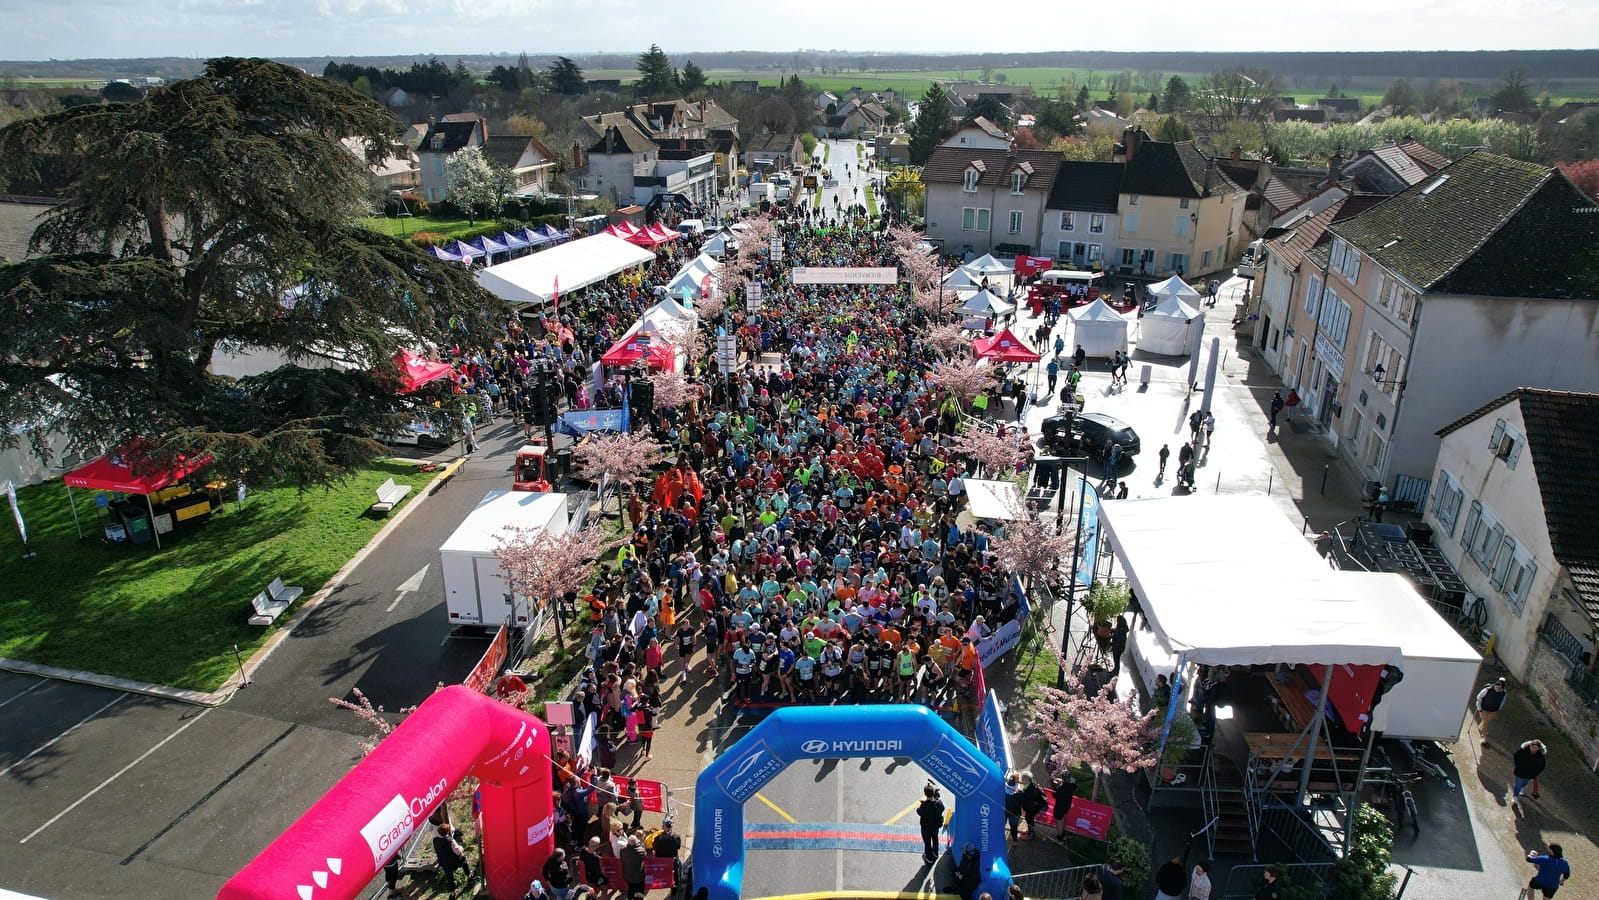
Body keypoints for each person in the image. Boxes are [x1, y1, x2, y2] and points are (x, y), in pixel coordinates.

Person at [432, 823, 472, 894]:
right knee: (464, 861)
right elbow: (457, 851)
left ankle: (452, 892)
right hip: (453, 860)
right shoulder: (450, 841)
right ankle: (469, 876)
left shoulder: (435, 840)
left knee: (449, 876)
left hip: (444, 862)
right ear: (447, 832)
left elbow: (436, 850)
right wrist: (462, 848)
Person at [1511, 739, 1548, 805]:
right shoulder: (1523, 751)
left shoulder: (1540, 756)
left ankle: (1522, 789)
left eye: (1535, 747)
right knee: (1518, 784)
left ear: (1538, 748)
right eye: (1532, 746)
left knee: (1525, 783)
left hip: (1529, 774)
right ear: (1529, 745)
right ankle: (1515, 796)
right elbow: (1516, 756)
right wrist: (1518, 765)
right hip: (1520, 772)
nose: (1533, 748)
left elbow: (1542, 766)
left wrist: (1535, 773)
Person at [917, 782, 946, 863]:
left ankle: (929, 857)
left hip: (926, 828)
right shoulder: (938, 803)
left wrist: (922, 804)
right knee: (935, 839)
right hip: (935, 826)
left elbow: (919, 812)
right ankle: (935, 853)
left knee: (927, 842)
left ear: (925, 794)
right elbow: (942, 808)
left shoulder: (924, 805)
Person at [1475, 677, 1509, 746]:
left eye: (1499, 688)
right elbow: (1479, 697)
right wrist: (1479, 707)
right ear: (1494, 685)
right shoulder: (1487, 690)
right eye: (1496, 687)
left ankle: (1480, 728)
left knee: (1486, 722)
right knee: (1485, 721)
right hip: (1483, 708)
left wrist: (1499, 708)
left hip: (1493, 710)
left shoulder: (1504, 693)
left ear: (1502, 688)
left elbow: (1502, 701)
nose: (1497, 689)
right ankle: (1483, 738)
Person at [1019, 774, 1048, 839]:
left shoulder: (1031, 790)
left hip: (1034, 806)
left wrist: (1021, 795)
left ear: (1027, 780)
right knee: (1028, 818)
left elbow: (1029, 801)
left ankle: (1031, 834)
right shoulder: (1030, 784)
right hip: (1034, 805)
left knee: (1029, 818)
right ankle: (1030, 830)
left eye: (1022, 779)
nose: (1021, 780)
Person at [1003, 771, 1024, 841]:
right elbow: (1022, 803)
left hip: (1003, 812)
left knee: (1001, 825)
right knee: (1014, 827)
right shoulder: (1020, 793)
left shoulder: (1002, 790)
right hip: (1014, 813)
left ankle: (999, 837)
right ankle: (1014, 840)